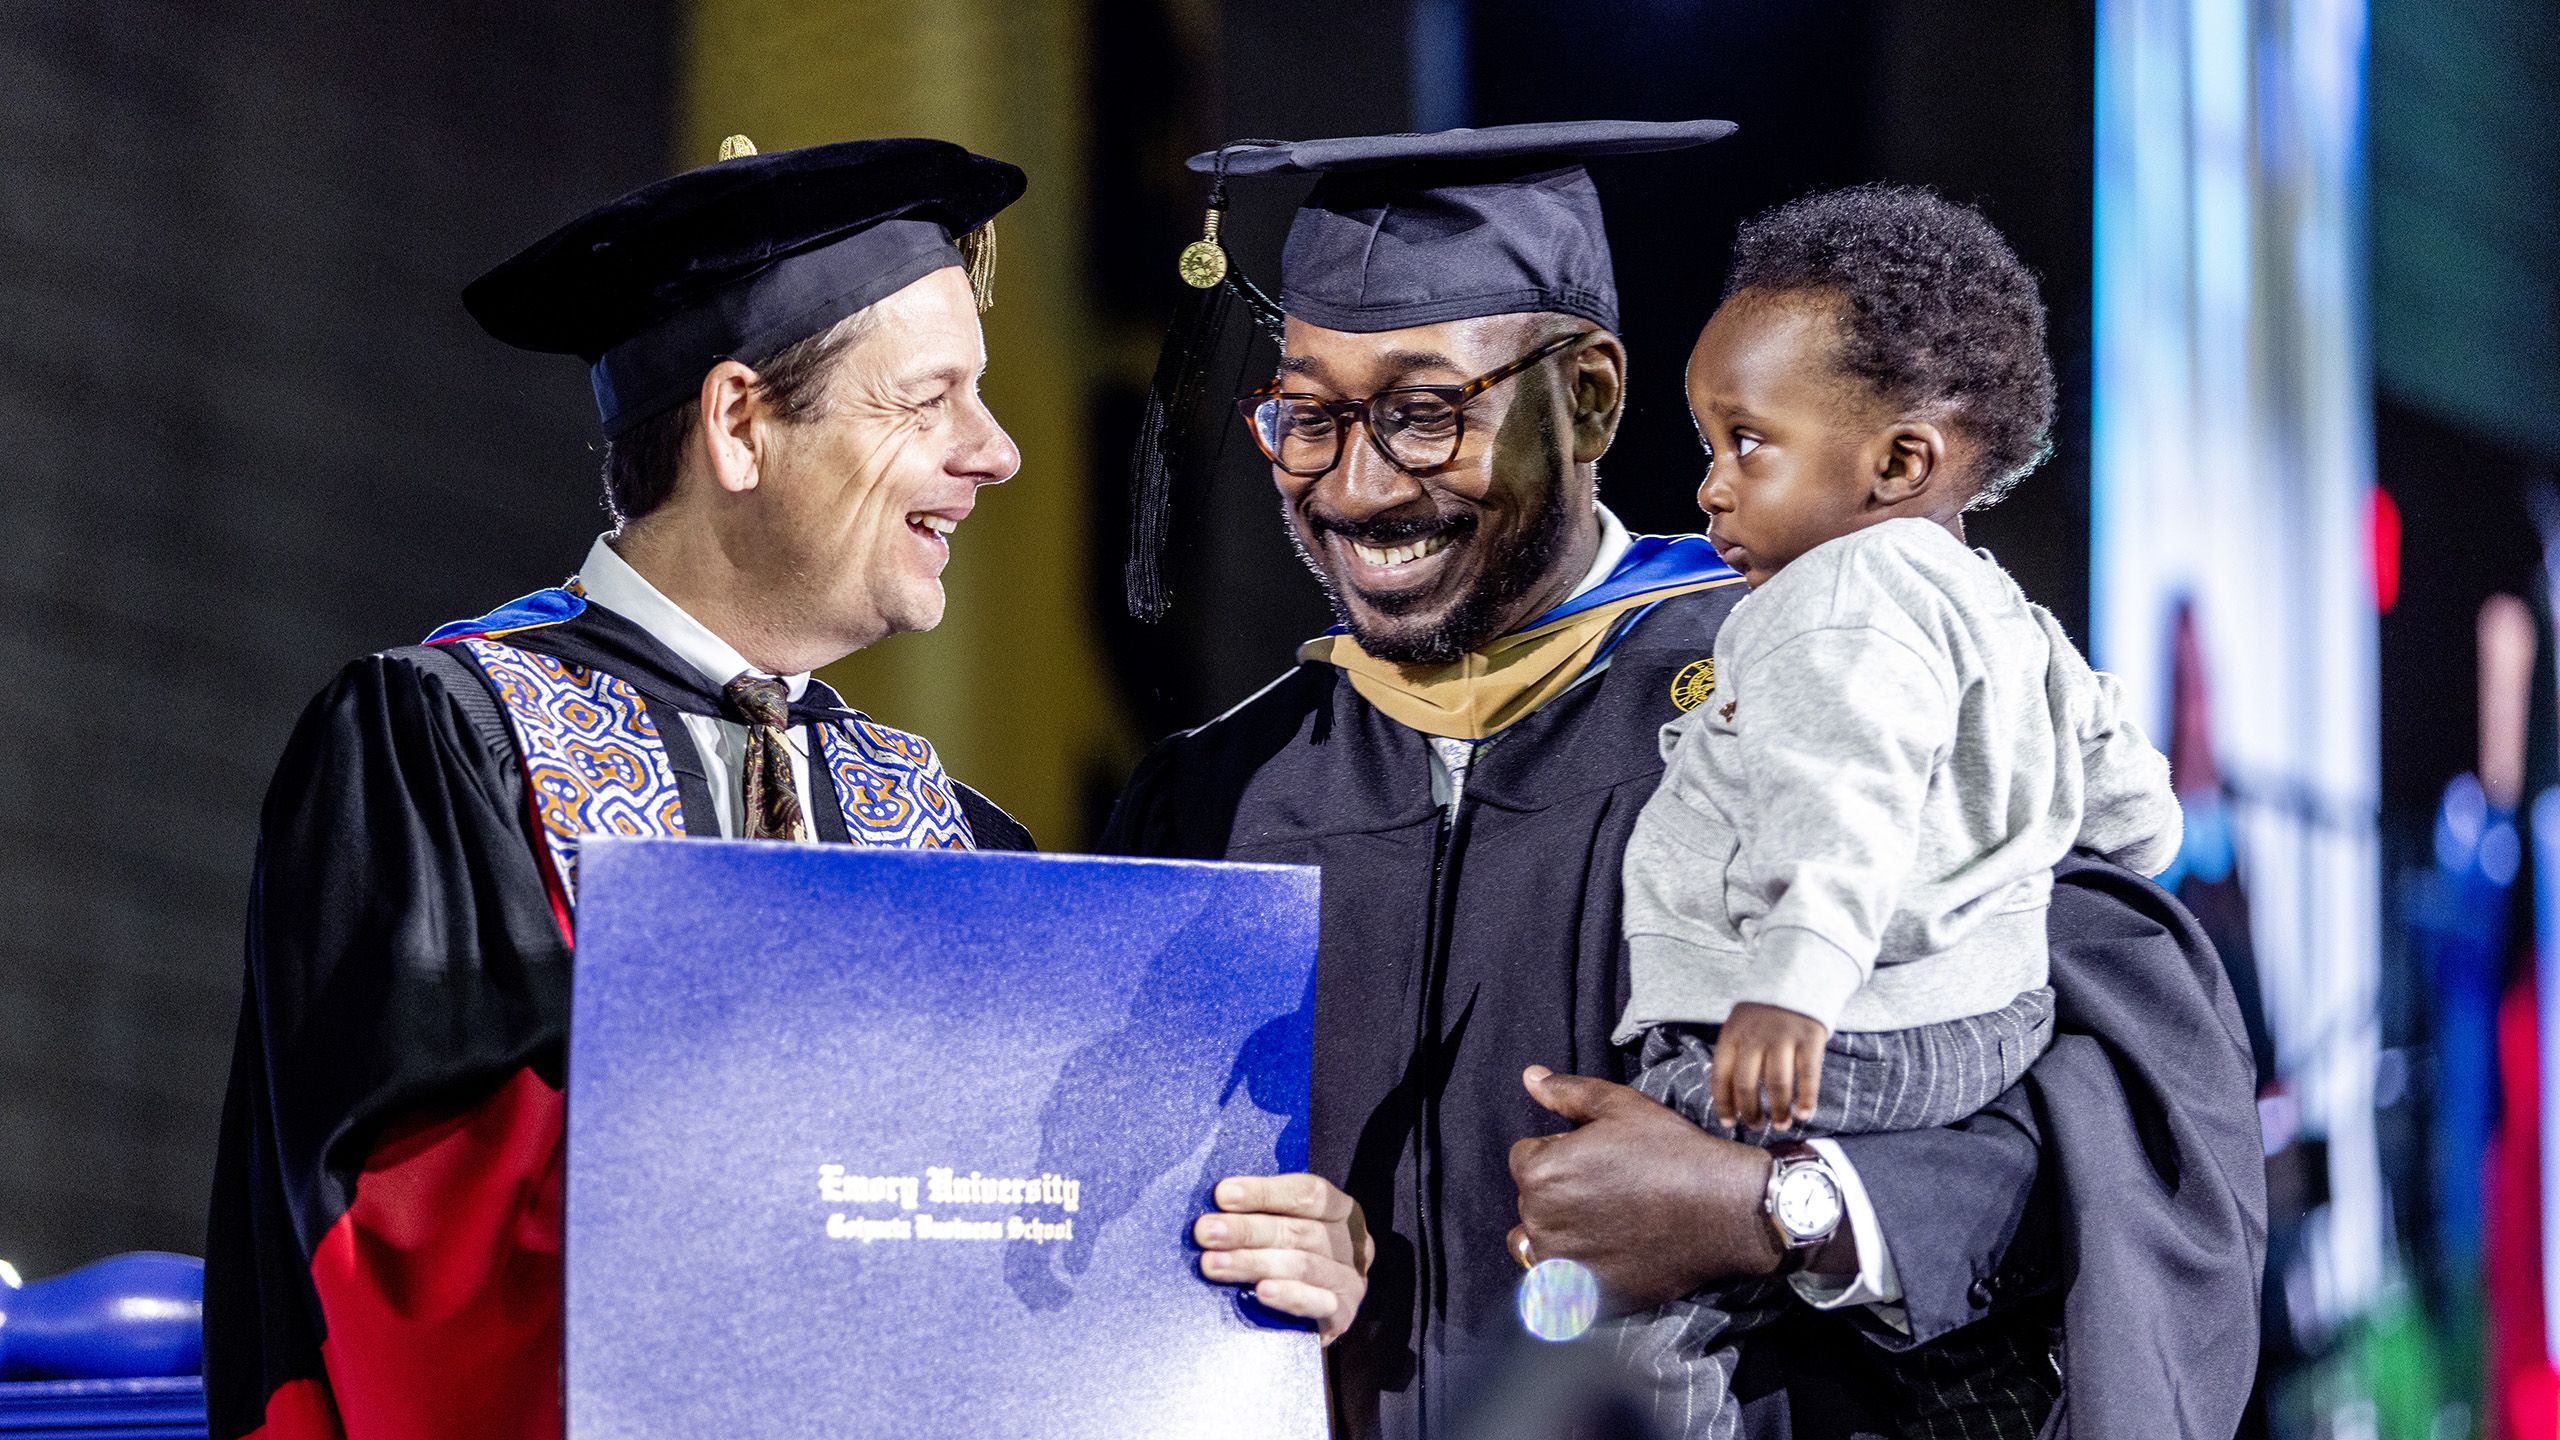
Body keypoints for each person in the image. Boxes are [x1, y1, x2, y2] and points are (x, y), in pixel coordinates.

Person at [1103, 122, 2264, 1440]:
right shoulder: (1214, 798)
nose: (1356, 485)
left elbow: (2125, 1133)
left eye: (1425, 414)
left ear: (1591, 396)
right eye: (1307, 415)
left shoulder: (1834, 676)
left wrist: (1781, 1212)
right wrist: (1217, 1253)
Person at [203, 136, 1035, 1440]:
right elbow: (413, 1262)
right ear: (740, 424)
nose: (996, 455)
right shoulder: (445, 743)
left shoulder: (957, 832)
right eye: (930, 401)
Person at [1603, 187, 2183, 1433]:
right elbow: (2135, 816)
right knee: (1928, 1315)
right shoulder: (2002, 608)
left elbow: (1842, 801)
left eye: (1743, 443)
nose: (1708, 488)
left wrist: (1791, 985)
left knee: (1645, 1273)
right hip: (1976, 1032)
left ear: (1899, 463)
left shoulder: (1837, 598)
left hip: (1823, 1029)